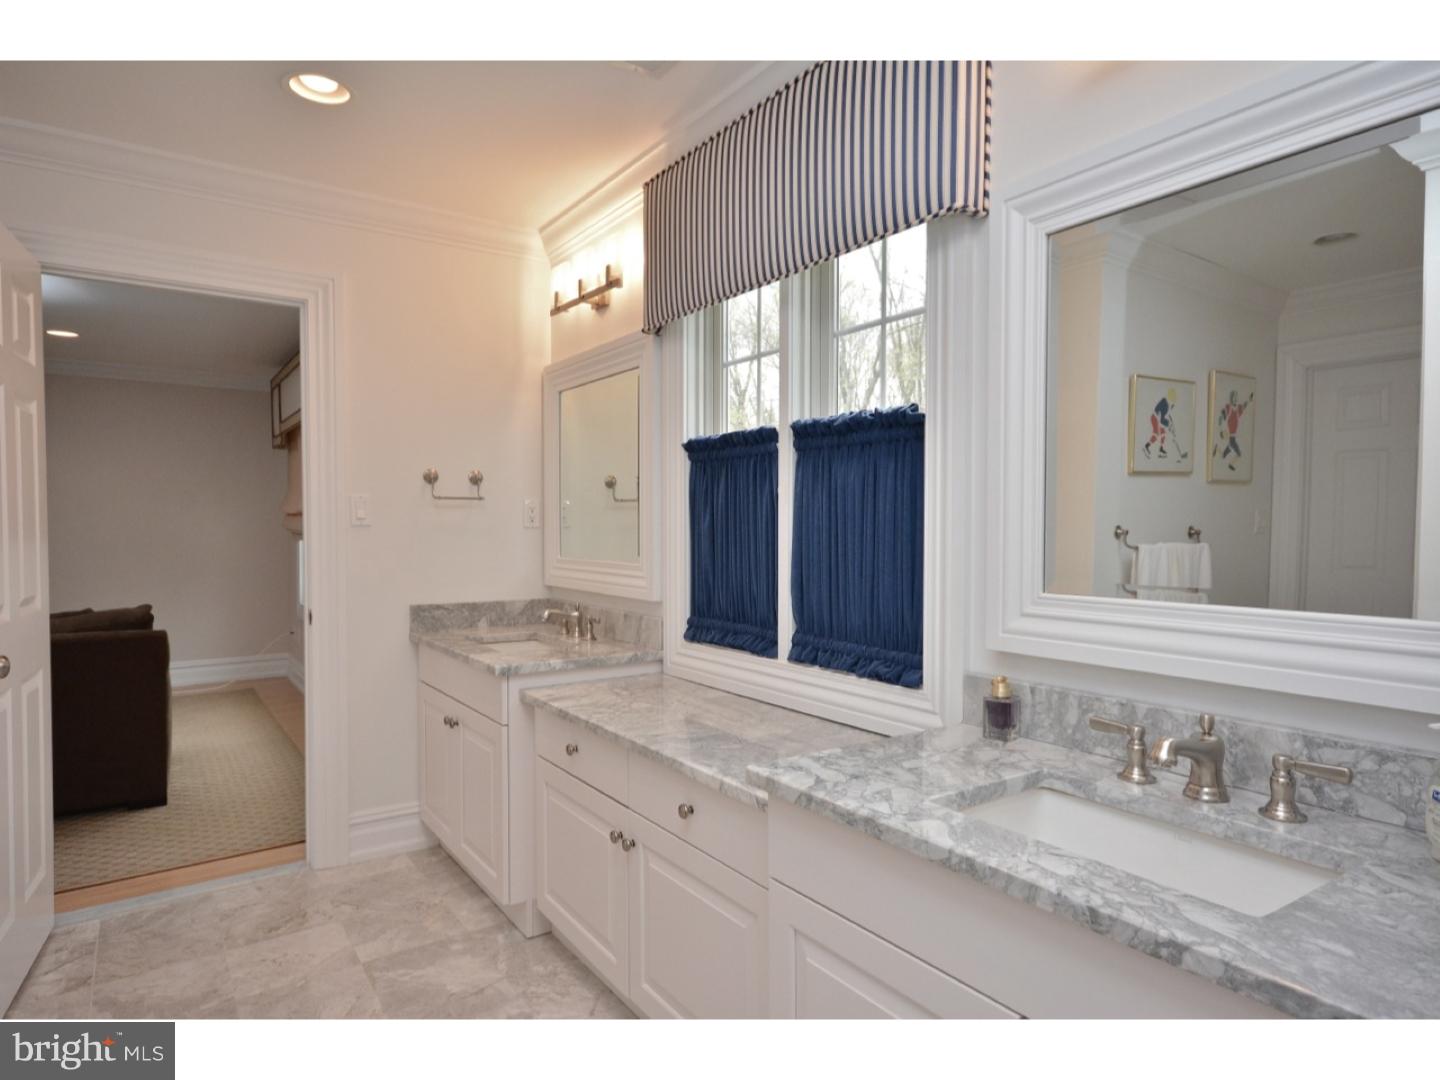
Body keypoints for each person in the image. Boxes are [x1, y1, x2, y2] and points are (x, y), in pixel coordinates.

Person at [1142, 387, 1187, 461]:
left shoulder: (1169, 404)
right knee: (1156, 434)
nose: (1173, 403)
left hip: (1158, 419)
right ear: (1170, 397)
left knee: (1163, 434)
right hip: (1155, 418)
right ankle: (1146, 446)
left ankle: (1161, 449)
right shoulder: (1165, 403)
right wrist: (1168, 424)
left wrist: (1170, 423)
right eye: (1173, 399)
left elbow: (1167, 415)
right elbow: (1162, 419)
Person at [1214, 387, 1253, 472]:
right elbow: (1221, 416)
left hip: (1233, 437)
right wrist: (1220, 429)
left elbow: (1244, 406)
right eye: (1234, 397)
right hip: (1231, 437)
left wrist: (1249, 400)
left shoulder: (1237, 409)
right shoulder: (1229, 408)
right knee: (1239, 454)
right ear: (1231, 398)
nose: (1236, 399)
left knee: (1224, 455)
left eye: (1236, 397)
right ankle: (1231, 464)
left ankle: (1217, 449)